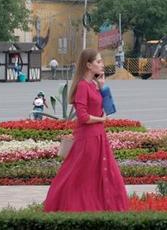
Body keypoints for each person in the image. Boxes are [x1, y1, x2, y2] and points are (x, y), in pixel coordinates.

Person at [43, 48, 129, 212]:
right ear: (89, 65)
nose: (102, 64)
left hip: (98, 137)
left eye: (101, 61)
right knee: (81, 177)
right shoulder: (83, 86)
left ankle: (100, 208)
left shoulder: (94, 85)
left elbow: (108, 109)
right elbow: (83, 117)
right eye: (98, 61)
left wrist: (103, 87)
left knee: (101, 175)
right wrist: (101, 119)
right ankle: (70, 207)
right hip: (88, 139)